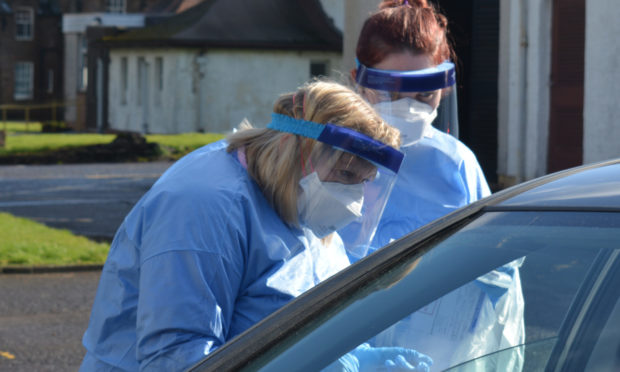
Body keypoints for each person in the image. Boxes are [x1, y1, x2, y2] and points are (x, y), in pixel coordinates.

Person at [78, 79, 434, 371]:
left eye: (363, 181)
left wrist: (355, 359)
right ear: (299, 148)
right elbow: (177, 358)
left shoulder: (300, 196)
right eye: (345, 173)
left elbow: (307, 309)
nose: (353, 200)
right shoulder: (203, 207)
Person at [339, 1, 526, 370]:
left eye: (424, 94)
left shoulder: (456, 166)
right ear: (357, 81)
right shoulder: (330, 158)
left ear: (444, 86)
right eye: (393, 92)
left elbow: (498, 278)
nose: (410, 108)